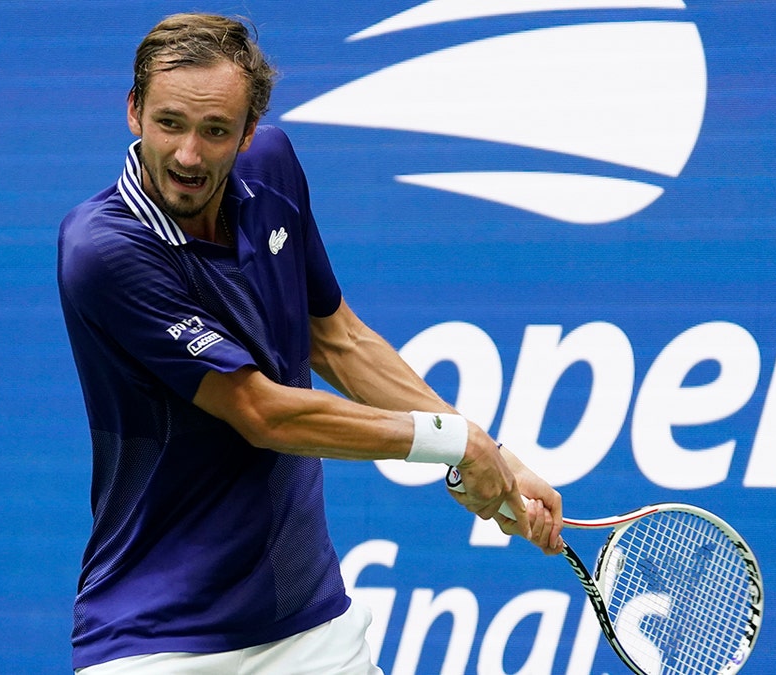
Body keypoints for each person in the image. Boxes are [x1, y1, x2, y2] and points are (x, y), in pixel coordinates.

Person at [57, 12, 563, 674]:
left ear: (248, 132)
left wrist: (493, 452)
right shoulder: (103, 250)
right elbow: (263, 413)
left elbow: (339, 339)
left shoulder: (273, 172)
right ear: (133, 111)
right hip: (159, 639)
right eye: (169, 123)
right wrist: (455, 441)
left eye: (214, 131)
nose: (187, 154)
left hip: (310, 627)